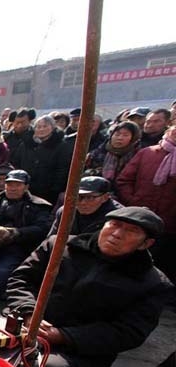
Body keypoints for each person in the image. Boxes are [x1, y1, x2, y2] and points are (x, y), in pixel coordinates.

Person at [5, 207, 173, 367]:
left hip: (79, 349)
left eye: (131, 231)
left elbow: (129, 332)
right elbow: (21, 279)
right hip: (28, 324)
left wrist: (64, 336)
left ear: (146, 243)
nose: (117, 233)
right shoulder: (60, 245)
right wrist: (30, 313)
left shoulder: (153, 283)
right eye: (114, 224)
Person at [0, 170, 52, 314]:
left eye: (17, 185)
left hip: (16, 248)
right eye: (9, 184)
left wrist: (13, 233)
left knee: (2, 273)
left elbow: (40, 229)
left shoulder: (39, 206)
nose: (12, 188)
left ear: (26, 187)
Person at [116, 125, 176, 282]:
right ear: (168, 131)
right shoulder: (147, 153)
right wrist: (133, 202)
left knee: (161, 268)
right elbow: (124, 180)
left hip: (169, 227)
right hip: (137, 219)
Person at [9, 114, 72, 205]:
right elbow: (16, 163)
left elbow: (63, 169)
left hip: (49, 191)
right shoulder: (26, 144)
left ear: (53, 128)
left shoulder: (61, 146)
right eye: (38, 127)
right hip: (26, 189)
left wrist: (56, 188)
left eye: (45, 126)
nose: (41, 129)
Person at [48, 176, 123, 237]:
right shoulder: (65, 211)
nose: (82, 202)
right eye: (78, 197)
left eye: (90, 198)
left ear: (105, 197)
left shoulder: (118, 217)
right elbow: (51, 239)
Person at [83, 120, 141, 189]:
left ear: (134, 138)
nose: (120, 138)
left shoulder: (138, 156)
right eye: (117, 134)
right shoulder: (97, 153)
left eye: (125, 135)